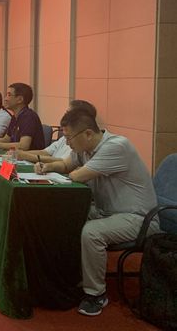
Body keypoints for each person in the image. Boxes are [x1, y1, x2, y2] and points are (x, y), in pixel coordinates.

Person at [34, 109, 158, 316]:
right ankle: (70, 277)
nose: (67, 144)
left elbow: (77, 175)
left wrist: (59, 169)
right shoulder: (84, 148)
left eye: (69, 138)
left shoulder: (116, 146)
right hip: (106, 212)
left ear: (88, 134)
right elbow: (65, 165)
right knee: (65, 219)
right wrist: (46, 167)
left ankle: (96, 294)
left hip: (138, 218)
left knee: (92, 233)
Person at [18, 100, 97, 164]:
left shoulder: (80, 140)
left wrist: (27, 156)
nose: (65, 116)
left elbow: (64, 162)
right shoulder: (66, 136)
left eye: (68, 114)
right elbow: (46, 152)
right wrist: (20, 154)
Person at [0, 83, 45, 151]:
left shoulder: (29, 117)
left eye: (9, 95)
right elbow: (6, 139)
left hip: (29, 156)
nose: (5, 99)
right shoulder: (15, 116)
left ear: (20, 99)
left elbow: (23, 146)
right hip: (15, 155)